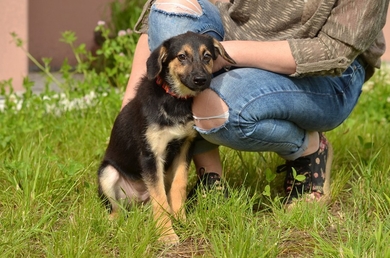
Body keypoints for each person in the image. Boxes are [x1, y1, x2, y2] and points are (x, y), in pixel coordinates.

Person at [122, 0, 389, 204]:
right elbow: (162, 19)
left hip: (327, 74)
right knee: (173, 4)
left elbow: (334, 52)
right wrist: (132, 116)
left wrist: (228, 54)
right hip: (225, 53)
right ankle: (211, 177)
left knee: (217, 111)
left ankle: (307, 149)